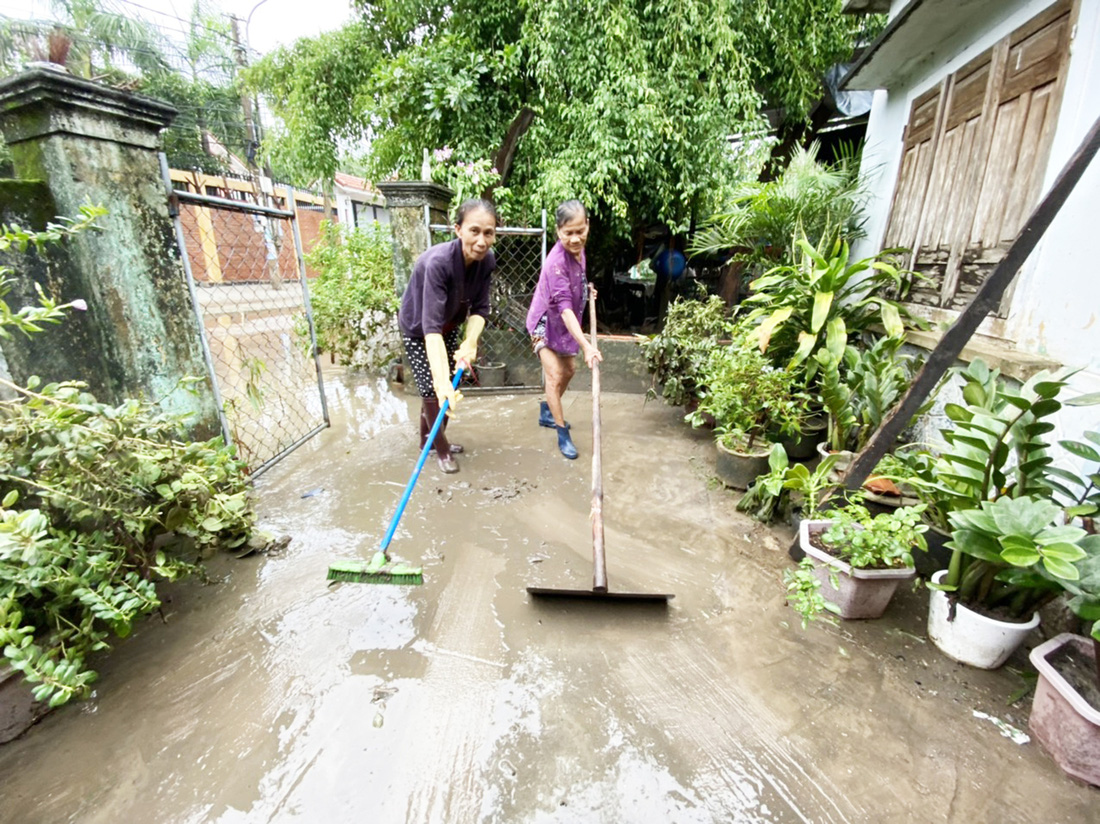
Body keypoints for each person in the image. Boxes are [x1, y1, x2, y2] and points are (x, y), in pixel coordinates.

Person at [398, 198, 498, 473]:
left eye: (488, 233)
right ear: (458, 229)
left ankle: (426, 442)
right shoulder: (439, 263)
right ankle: (441, 450)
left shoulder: (486, 261)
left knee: (448, 387)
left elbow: (480, 309)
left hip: (449, 325)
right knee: (434, 389)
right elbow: (430, 330)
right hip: (419, 328)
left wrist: (470, 343)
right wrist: (442, 382)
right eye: (474, 231)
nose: (481, 240)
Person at [526, 200, 602, 459]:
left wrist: (585, 288)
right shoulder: (556, 263)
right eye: (568, 233)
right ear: (558, 231)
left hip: (562, 323)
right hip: (544, 323)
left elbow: (577, 279)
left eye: (580, 231)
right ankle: (560, 431)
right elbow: (566, 310)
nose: (575, 238)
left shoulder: (579, 250)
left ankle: (548, 408)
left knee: (570, 369)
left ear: (587, 226)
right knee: (556, 374)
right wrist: (587, 346)